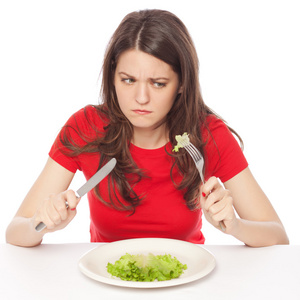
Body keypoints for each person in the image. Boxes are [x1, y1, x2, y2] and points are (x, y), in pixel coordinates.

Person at [6, 9, 288, 247]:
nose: (141, 98)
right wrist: (41, 223)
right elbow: (15, 233)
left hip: (187, 283)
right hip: (105, 284)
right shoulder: (87, 127)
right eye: (128, 80)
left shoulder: (206, 134)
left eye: (158, 83)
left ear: (181, 85)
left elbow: (277, 237)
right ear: (112, 77)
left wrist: (234, 226)